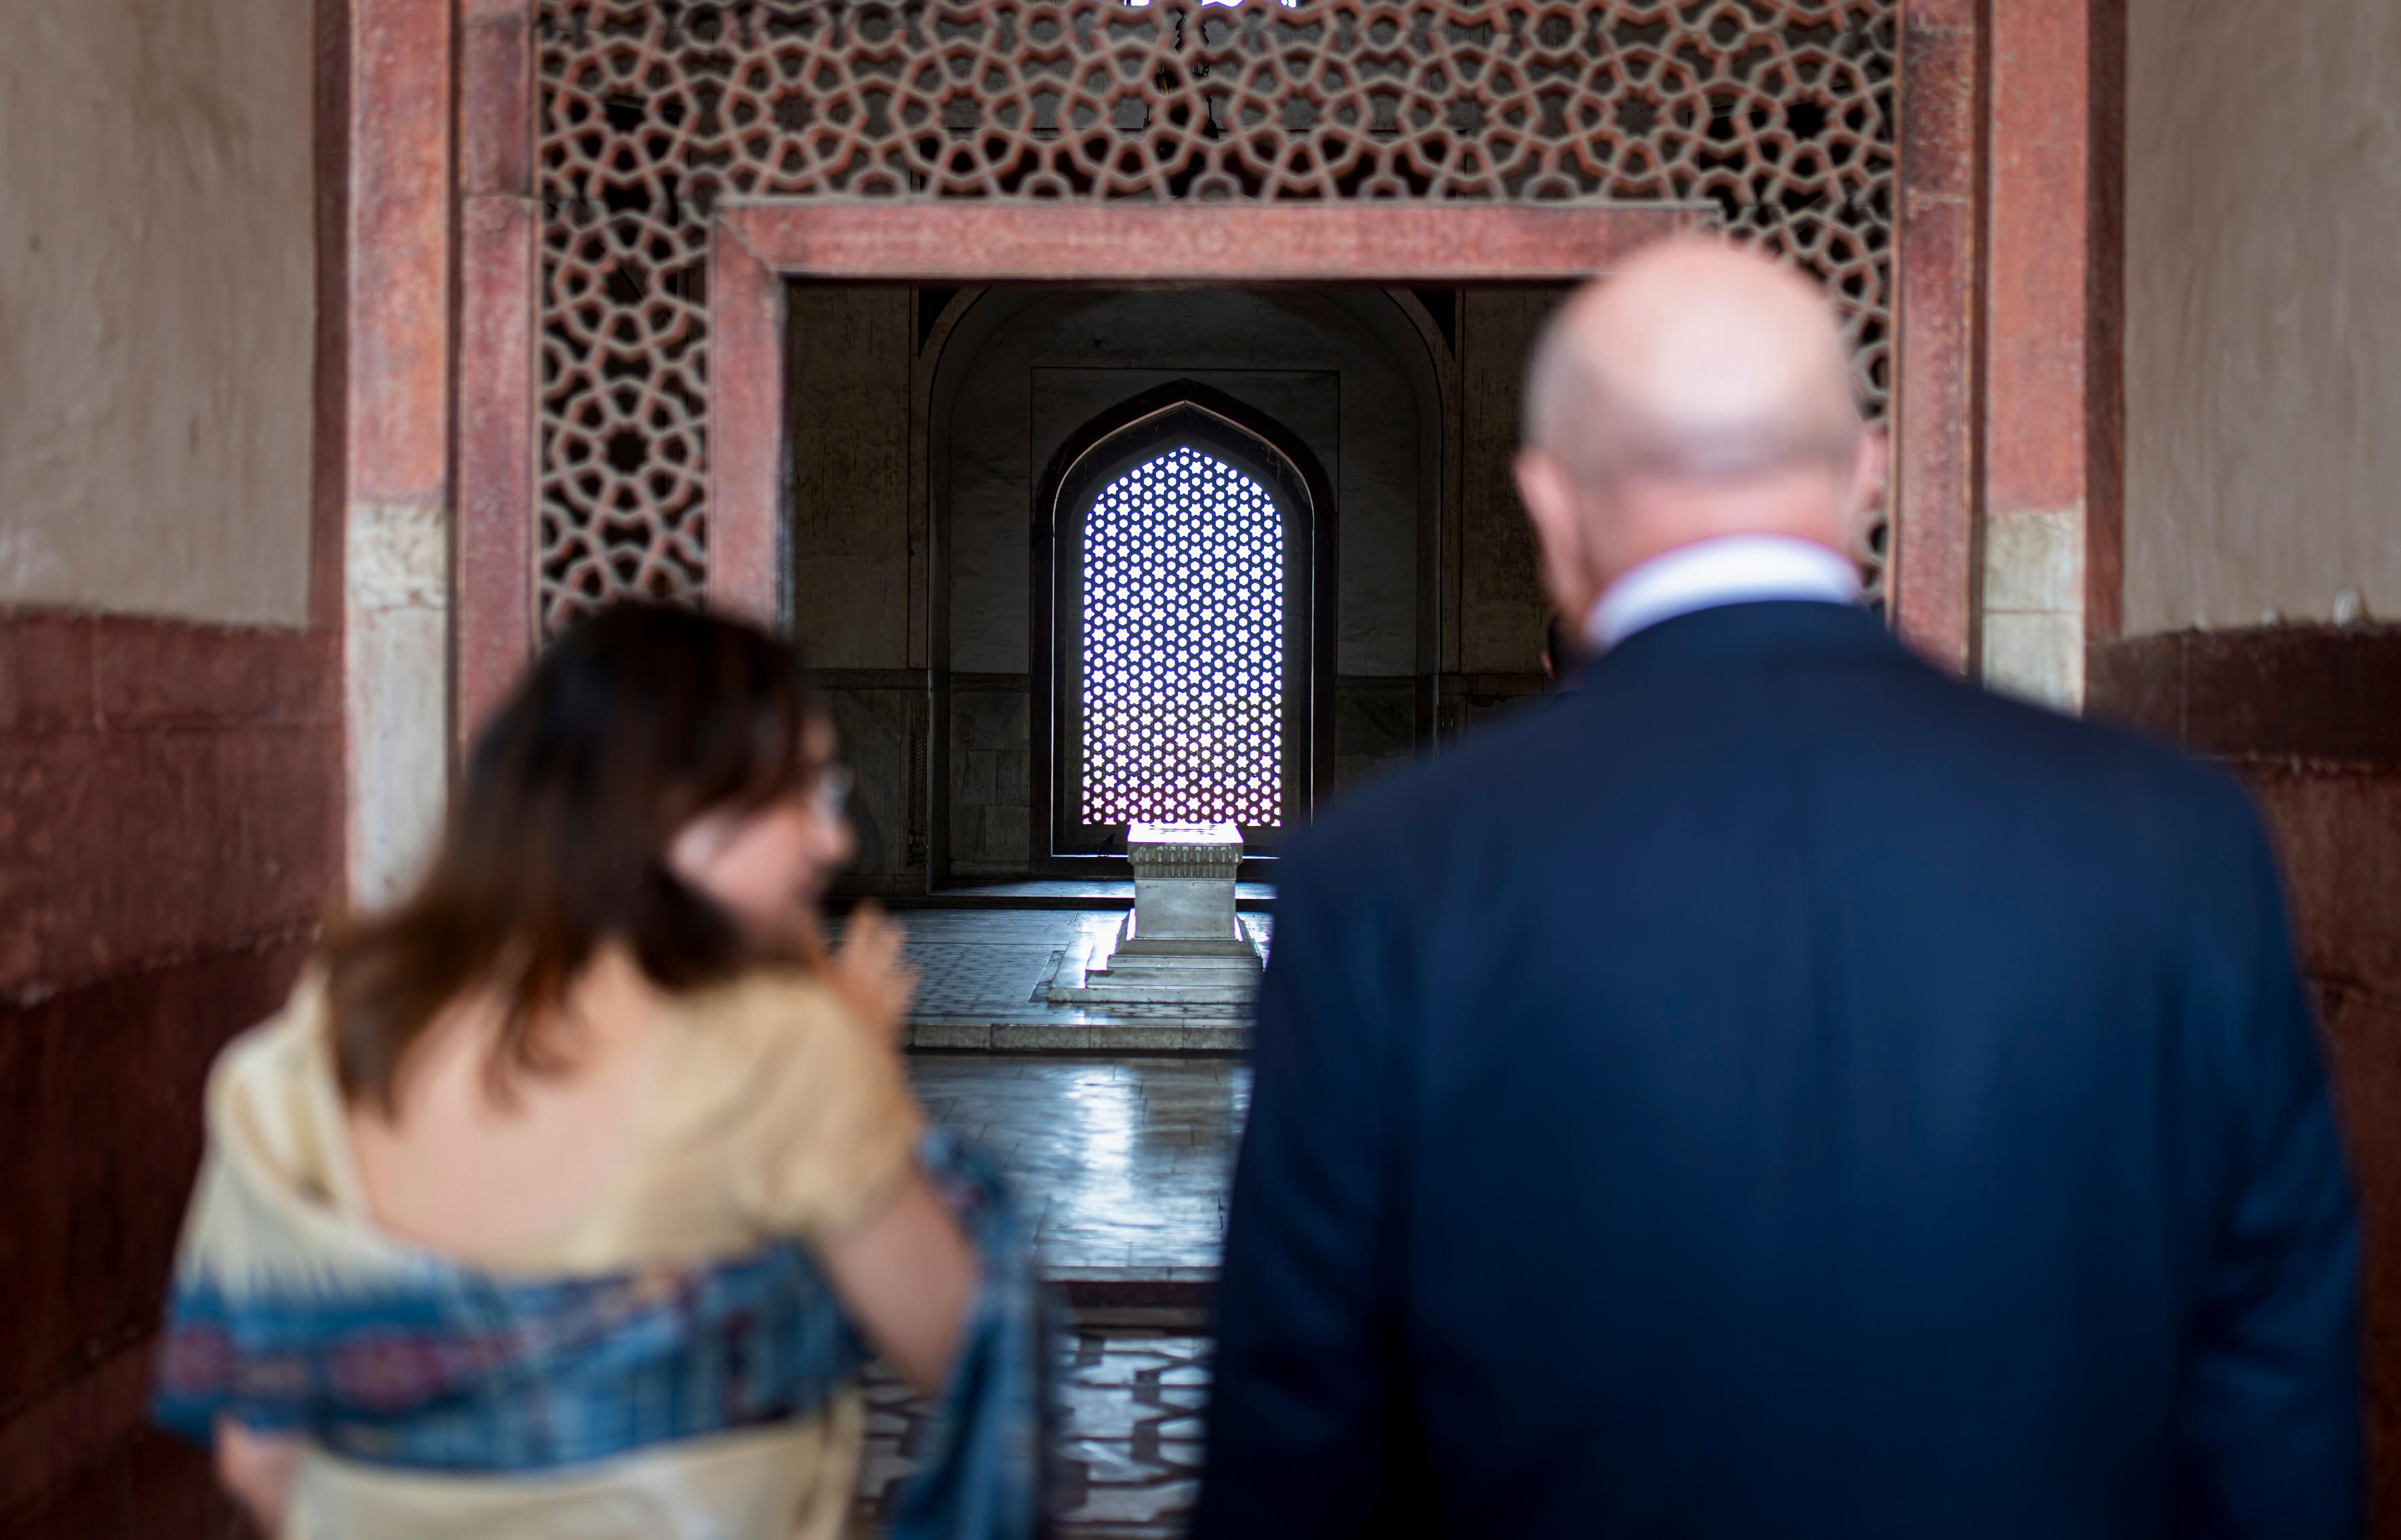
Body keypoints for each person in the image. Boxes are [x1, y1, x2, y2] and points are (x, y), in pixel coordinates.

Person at [1194, 241, 2360, 1537]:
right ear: (1867, 478)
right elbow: (2273, 1395)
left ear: (1549, 503)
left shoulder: (1388, 873)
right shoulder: (2174, 840)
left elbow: (1297, 1441)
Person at [153, 602, 1046, 1539]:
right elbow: (966, 1342)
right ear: (676, 811)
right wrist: (866, 1067)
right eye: (807, 794)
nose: (835, 841)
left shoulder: (300, 1062)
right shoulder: (776, 1053)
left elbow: (259, 1456)